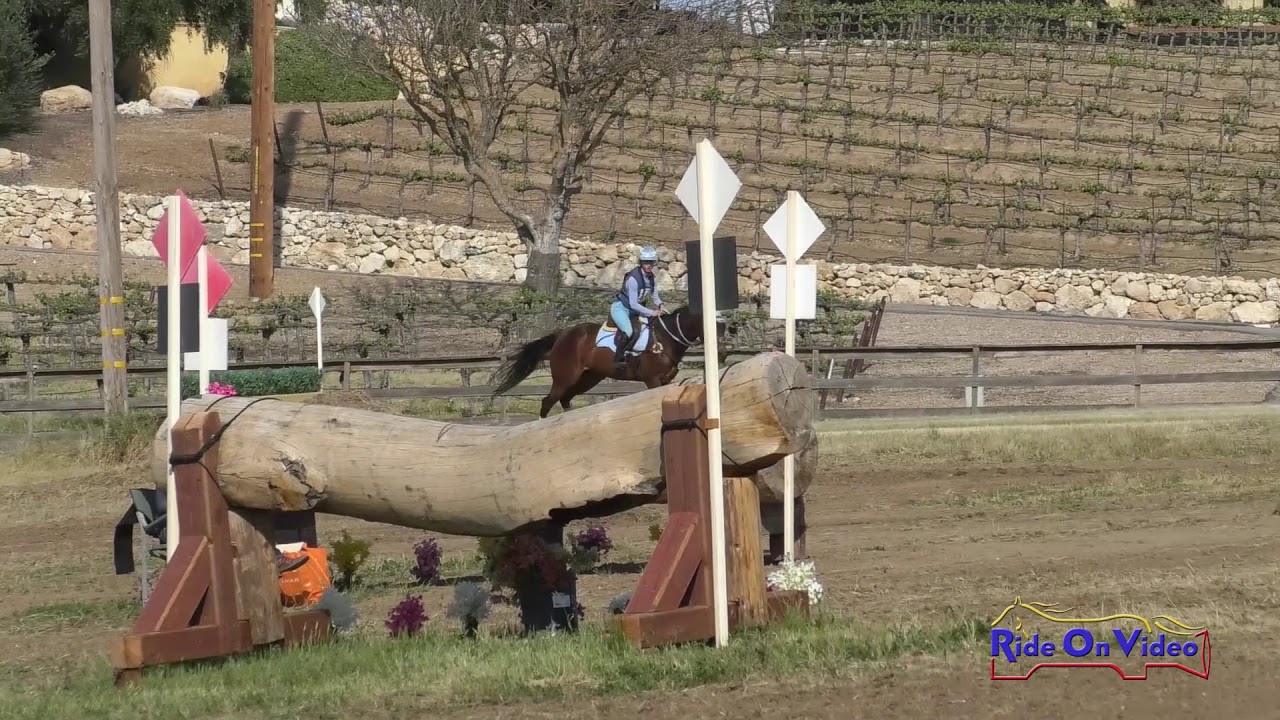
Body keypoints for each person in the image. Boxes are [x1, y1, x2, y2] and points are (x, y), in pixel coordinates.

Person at [609, 246, 664, 370]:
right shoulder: (633, 279)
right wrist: (651, 312)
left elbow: (655, 295)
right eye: (645, 262)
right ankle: (618, 359)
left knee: (650, 328)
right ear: (641, 263)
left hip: (635, 310)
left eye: (651, 262)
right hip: (621, 308)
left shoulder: (651, 278)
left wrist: (660, 304)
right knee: (629, 332)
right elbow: (633, 304)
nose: (648, 265)